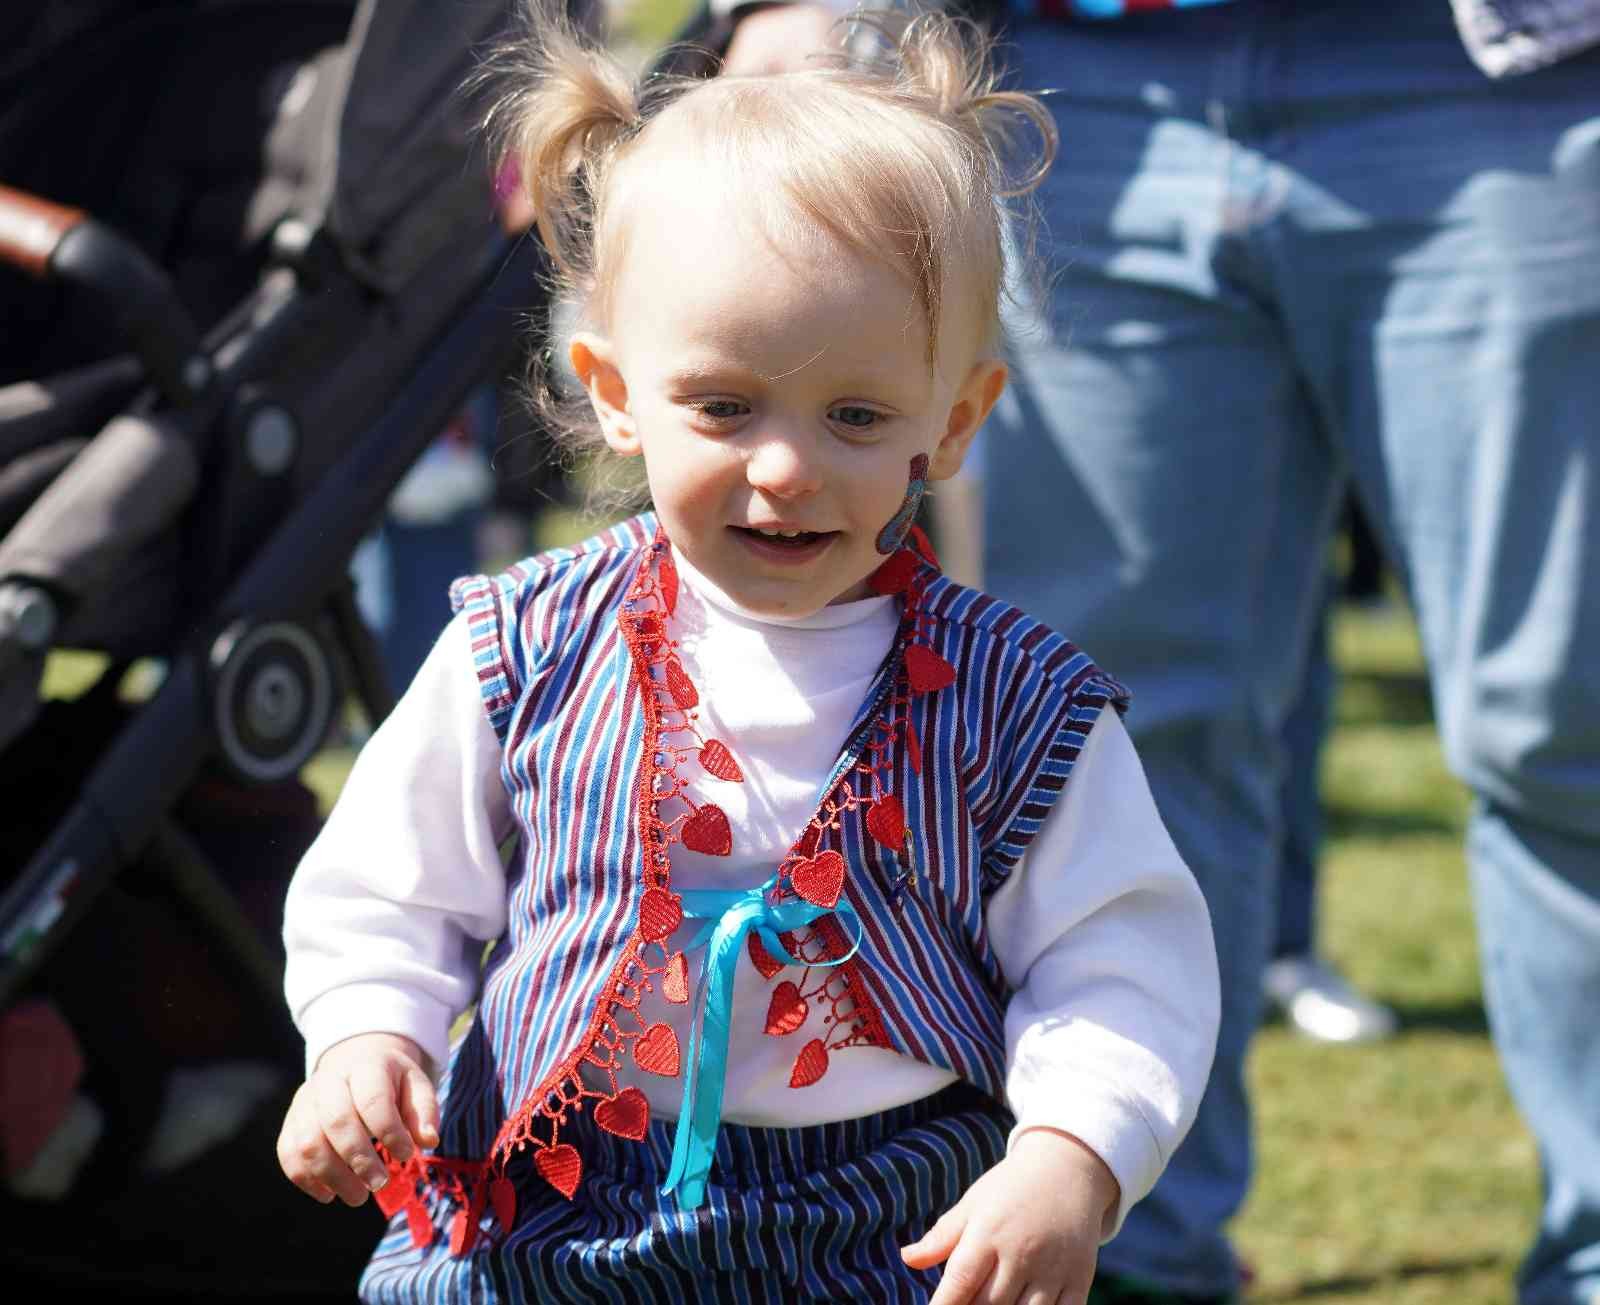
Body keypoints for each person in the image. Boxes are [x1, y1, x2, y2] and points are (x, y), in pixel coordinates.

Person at [274, 9, 1221, 1302]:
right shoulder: (526, 644)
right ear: (615, 389)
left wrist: (1068, 1152)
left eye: (856, 414)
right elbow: (389, 885)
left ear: (951, 420)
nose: (785, 465)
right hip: (547, 1205)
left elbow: (1122, 955)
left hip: (888, 1218)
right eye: (724, 405)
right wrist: (365, 1033)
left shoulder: (1017, 704)